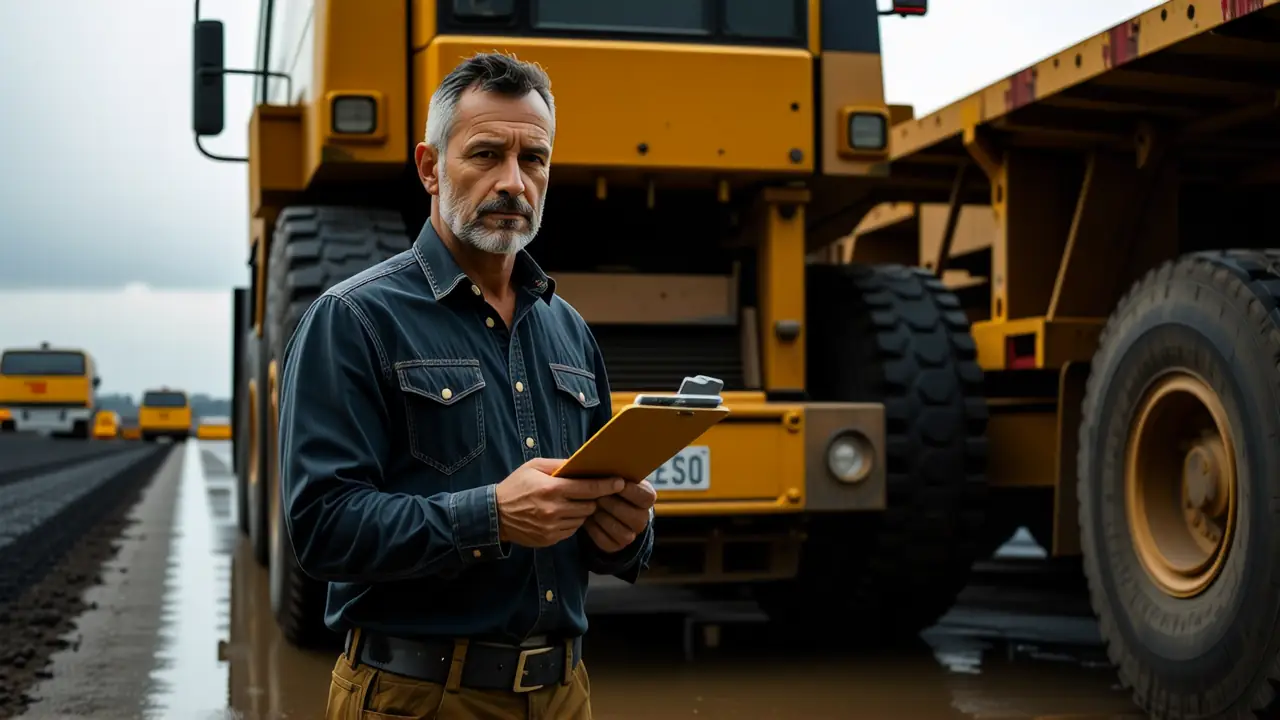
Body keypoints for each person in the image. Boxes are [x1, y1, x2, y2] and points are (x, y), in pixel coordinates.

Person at [276, 52, 657, 719]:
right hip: (418, 699)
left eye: (533, 159)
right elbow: (320, 528)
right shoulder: (356, 318)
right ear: (430, 167)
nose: (513, 182)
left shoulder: (568, 330)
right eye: (486, 155)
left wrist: (625, 534)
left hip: (564, 695)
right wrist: (491, 517)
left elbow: (593, 519)